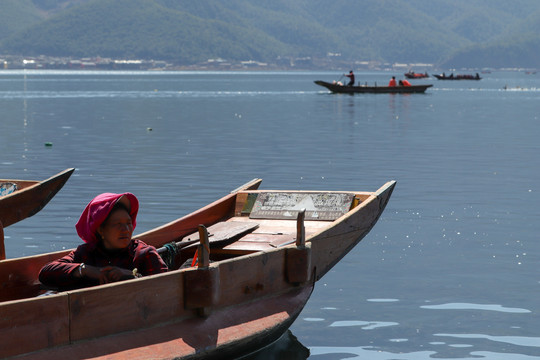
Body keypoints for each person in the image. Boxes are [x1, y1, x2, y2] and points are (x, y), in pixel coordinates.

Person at [39, 192, 168, 290]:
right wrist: (84, 270)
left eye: (129, 223)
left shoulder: (144, 254)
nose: (126, 229)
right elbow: (45, 273)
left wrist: (130, 276)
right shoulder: (86, 253)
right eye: (117, 224)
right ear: (101, 230)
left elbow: (166, 286)